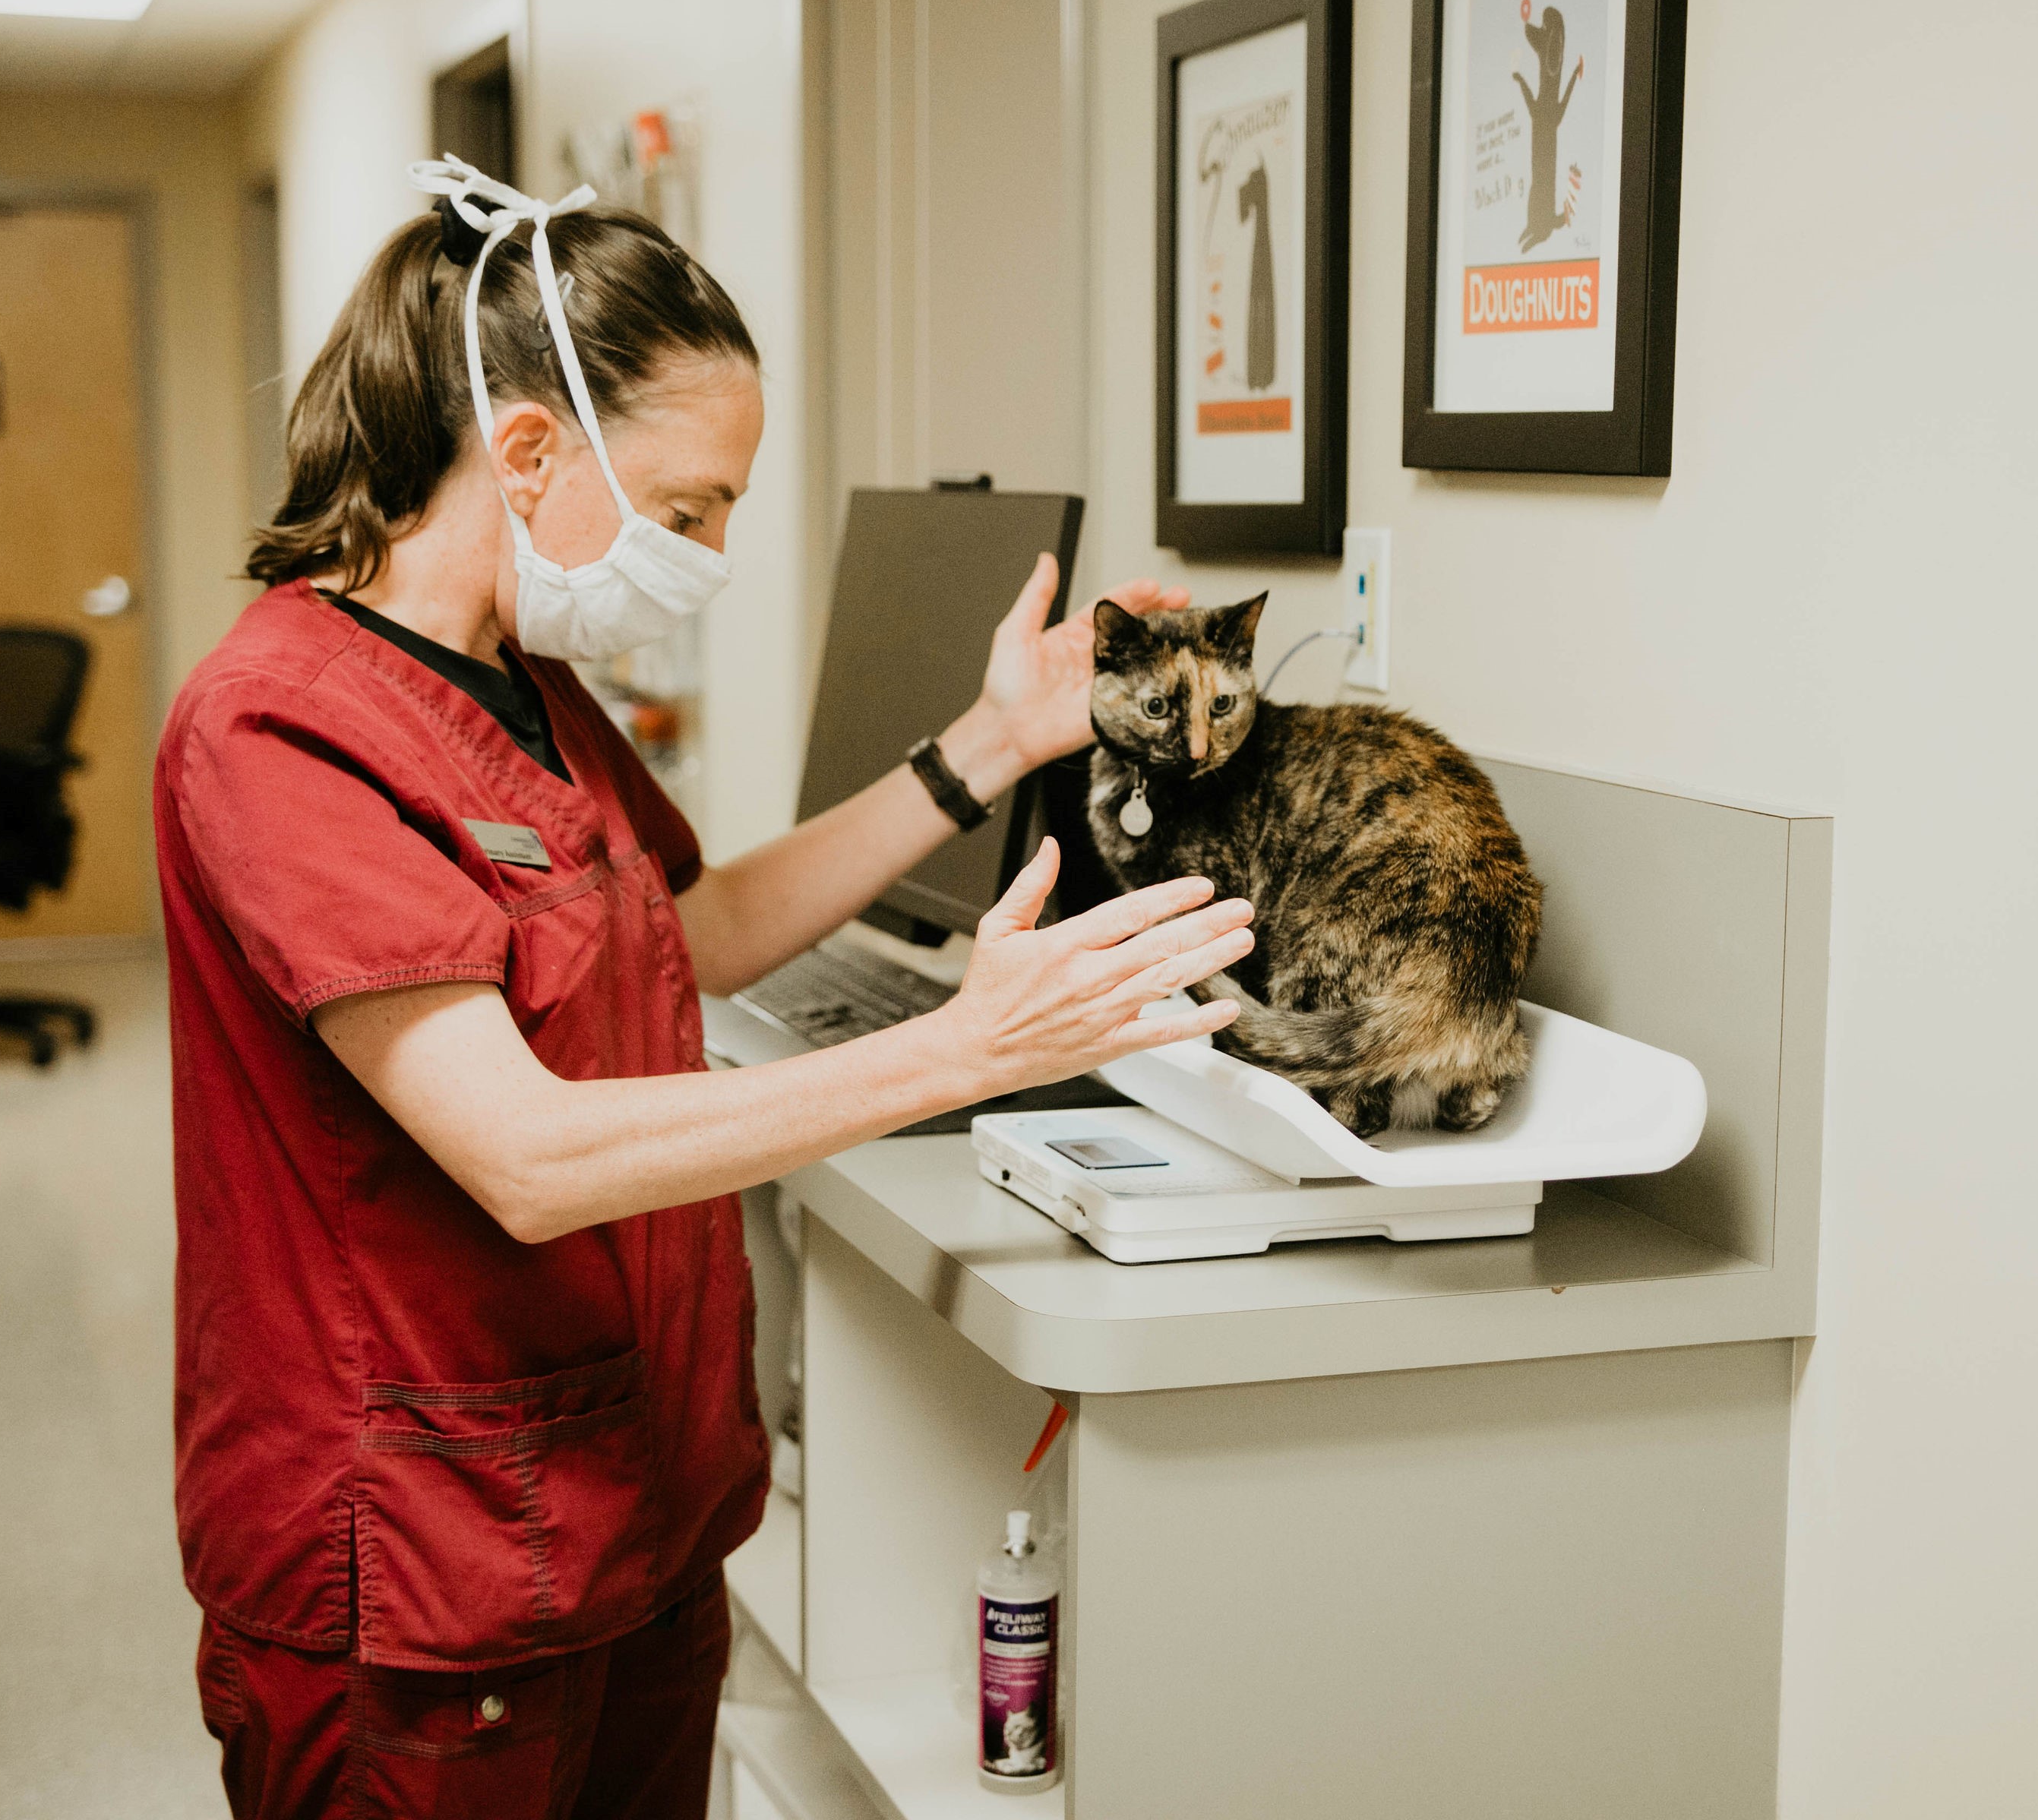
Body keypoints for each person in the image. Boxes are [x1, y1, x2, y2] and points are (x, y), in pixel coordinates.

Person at [156, 159, 1250, 1819]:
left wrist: (994, 743)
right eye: (688, 511)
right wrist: (967, 1047)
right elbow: (525, 1155)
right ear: (526, 452)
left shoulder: (524, 686)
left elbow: (699, 929)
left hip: (632, 1519)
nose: (714, 556)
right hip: (428, 1577)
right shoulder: (277, 728)